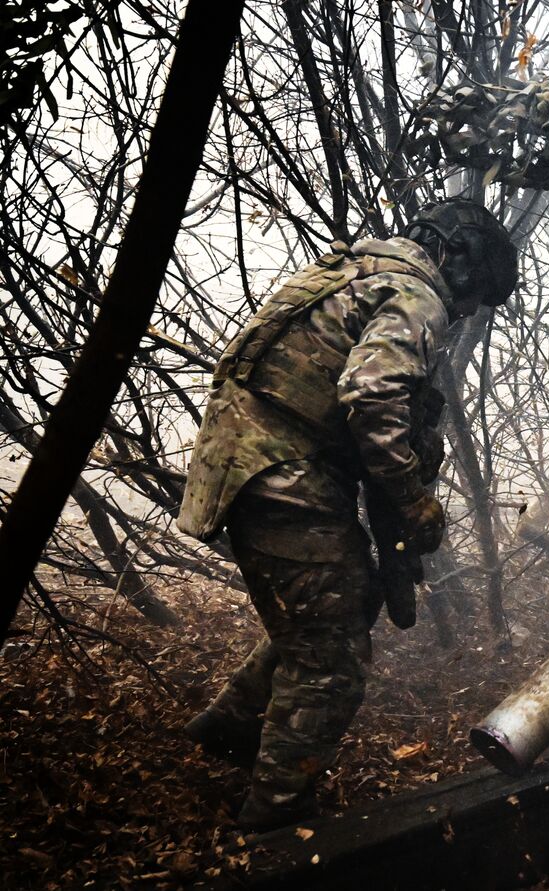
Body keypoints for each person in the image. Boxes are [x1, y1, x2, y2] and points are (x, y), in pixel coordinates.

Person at [176, 198, 518, 831]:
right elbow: (372, 395)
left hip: (253, 461)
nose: (466, 312)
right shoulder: (415, 295)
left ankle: (229, 728)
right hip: (280, 468)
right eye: (475, 296)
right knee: (331, 661)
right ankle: (274, 822)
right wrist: (415, 502)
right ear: (460, 261)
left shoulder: (347, 271)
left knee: (342, 606)